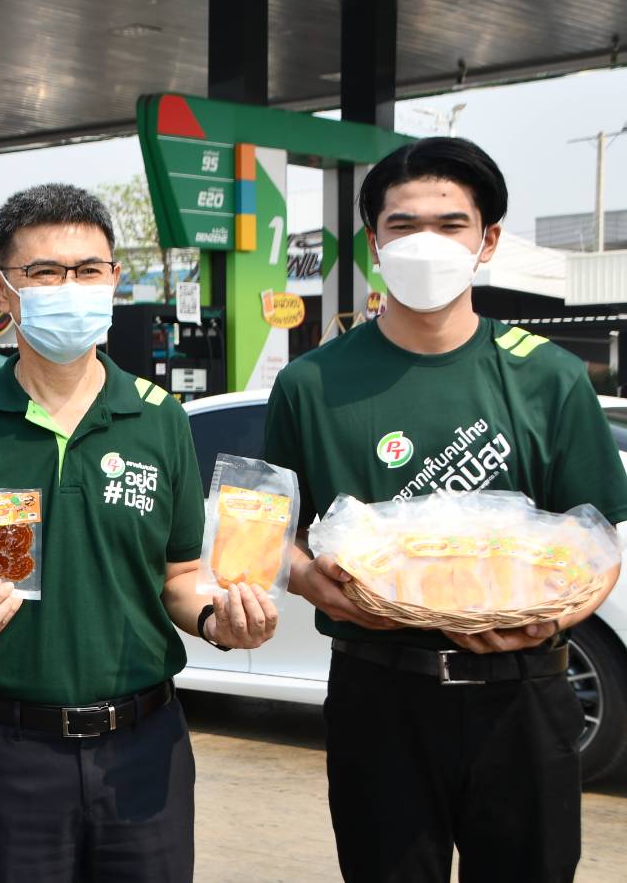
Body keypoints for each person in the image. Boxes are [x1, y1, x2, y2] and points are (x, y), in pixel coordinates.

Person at [265, 137, 627, 883]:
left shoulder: (547, 378)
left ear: (486, 239)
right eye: (401, 225)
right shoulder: (310, 382)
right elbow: (271, 534)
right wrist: (308, 581)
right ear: (373, 243)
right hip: (378, 693)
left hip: (522, 694)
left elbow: (596, 544)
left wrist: (551, 618)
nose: (423, 242)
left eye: (449, 223)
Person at [0, 183, 277, 883]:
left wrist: (220, 619)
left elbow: (179, 576)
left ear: (113, 280)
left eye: (89, 269)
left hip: (142, 746)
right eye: (43, 272)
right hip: (4, 748)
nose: (68, 287)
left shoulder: (159, 417)